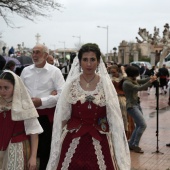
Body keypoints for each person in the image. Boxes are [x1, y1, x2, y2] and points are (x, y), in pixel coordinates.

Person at [47, 43, 130, 170]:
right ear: (79, 62)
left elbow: (113, 117)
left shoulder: (106, 85)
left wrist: (116, 142)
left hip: (101, 138)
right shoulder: (71, 84)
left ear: (98, 62)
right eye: (85, 60)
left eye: (92, 59)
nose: (89, 64)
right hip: (72, 138)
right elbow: (63, 116)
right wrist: (59, 143)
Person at [20, 44, 65, 170]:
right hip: (27, 116)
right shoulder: (25, 71)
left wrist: (42, 101)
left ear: (46, 55)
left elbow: (63, 94)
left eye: (37, 52)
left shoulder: (55, 72)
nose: (34, 55)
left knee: (45, 152)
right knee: (27, 151)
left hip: (45, 117)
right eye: (33, 52)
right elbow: (19, 91)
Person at [0, 70, 43, 170]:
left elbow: (34, 133)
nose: (2, 91)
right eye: (0, 88)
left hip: (16, 148)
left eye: (6, 88)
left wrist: (33, 157)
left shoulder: (24, 106)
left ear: (15, 87)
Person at [123, 66, 157, 153]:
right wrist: (150, 81)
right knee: (142, 125)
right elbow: (138, 88)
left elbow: (141, 81)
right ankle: (135, 144)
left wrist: (151, 78)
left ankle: (131, 143)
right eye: (136, 74)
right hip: (131, 106)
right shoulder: (127, 83)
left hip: (136, 105)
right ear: (132, 74)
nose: (137, 76)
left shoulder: (132, 80)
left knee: (138, 125)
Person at [110, 64, 134, 139]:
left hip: (121, 98)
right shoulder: (109, 78)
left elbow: (126, 77)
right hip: (112, 99)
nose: (113, 74)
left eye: (114, 72)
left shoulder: (122, 78)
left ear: (117, 71)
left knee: (124, 113)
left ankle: (125, 132)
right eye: (111, 72)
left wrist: (123, 70)